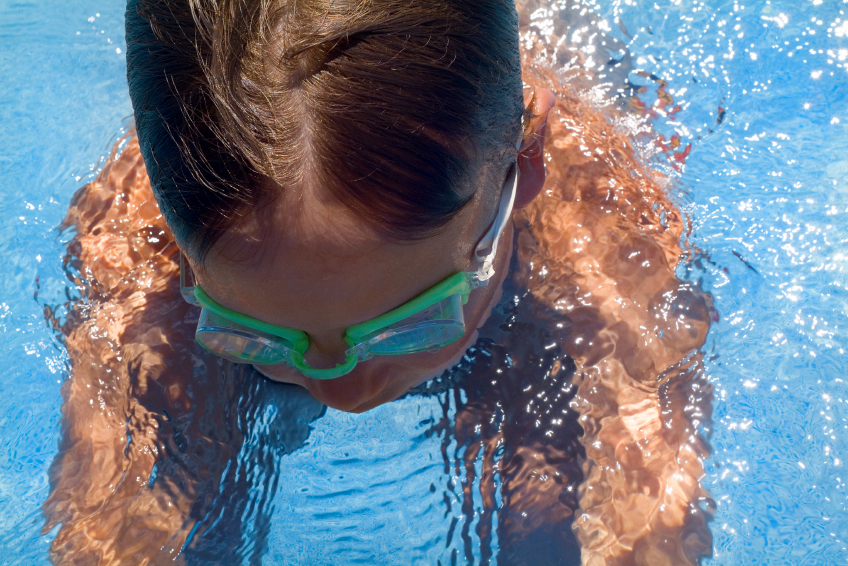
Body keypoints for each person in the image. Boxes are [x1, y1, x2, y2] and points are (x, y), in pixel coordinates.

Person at [42, 0, 715, 564]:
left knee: (544, 513)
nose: (346, 390)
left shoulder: (601, 233)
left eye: (411, 323)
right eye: (254, 335)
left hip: (525, 268)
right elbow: (103, 524)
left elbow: (652, 507)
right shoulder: (135, 253)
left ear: (525, 165)